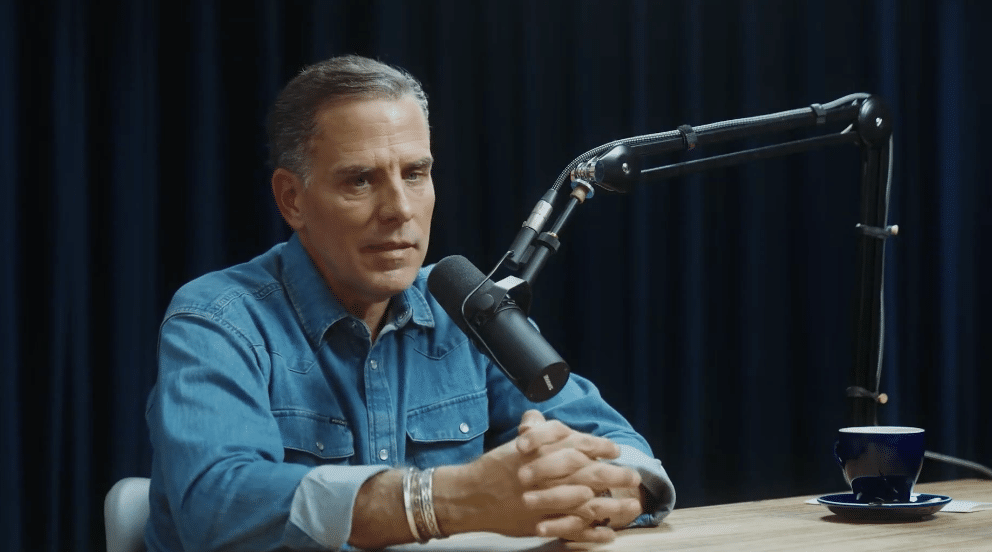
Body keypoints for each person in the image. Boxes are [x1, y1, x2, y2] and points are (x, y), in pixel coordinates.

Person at [145, 54, 675, 552]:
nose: (399, 209)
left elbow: (620, 447)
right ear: (292, 199)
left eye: (415, 173)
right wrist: (444, 502)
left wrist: (611, 489)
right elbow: (216, 505)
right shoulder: (218, 319)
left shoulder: (464, 308)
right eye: (360, 180)